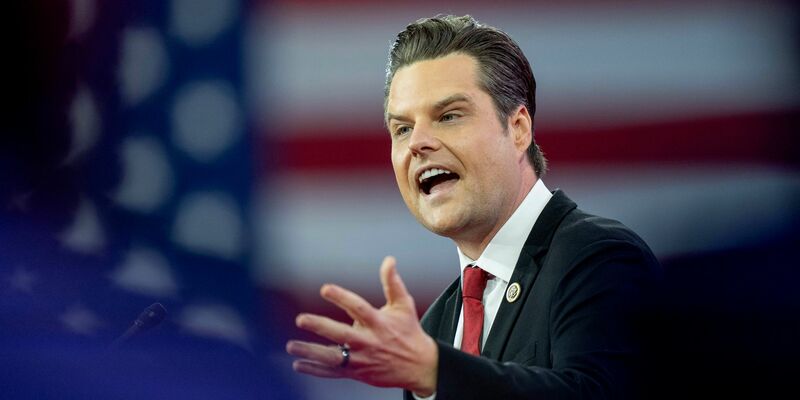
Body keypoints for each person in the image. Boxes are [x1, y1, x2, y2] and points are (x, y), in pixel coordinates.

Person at [286, 15, 660, 399]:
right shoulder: (436, 326)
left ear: (518, 129)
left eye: (448, 116)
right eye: (402, 128)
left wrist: (434, 370)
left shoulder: (599, 259)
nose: (418, 143)